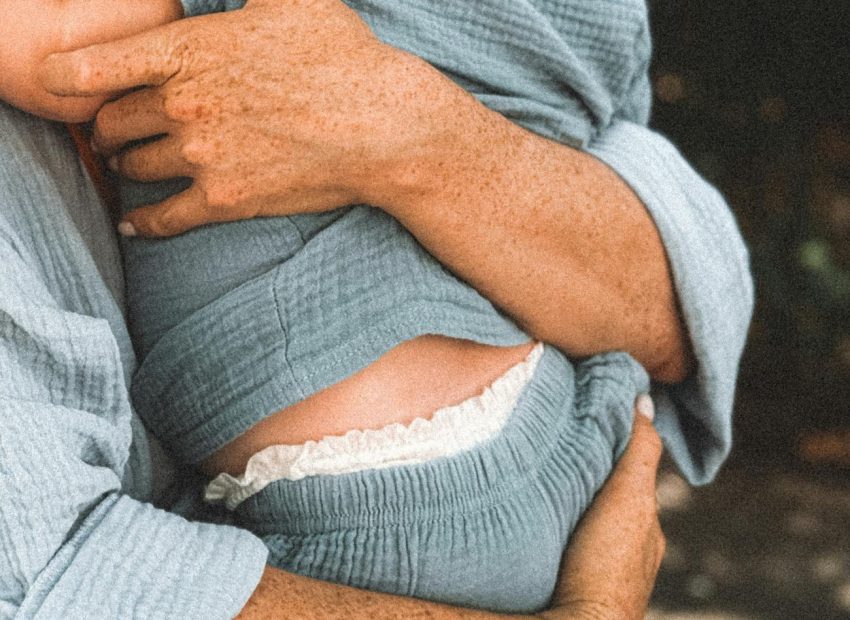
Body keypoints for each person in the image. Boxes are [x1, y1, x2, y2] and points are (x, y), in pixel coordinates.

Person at [0, 0, 752, 616]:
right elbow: (61, 572)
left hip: (386, 515)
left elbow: (673, 292)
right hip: (557, 451)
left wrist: (407, 131)